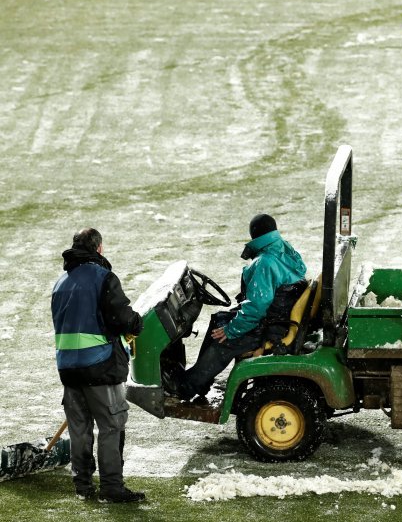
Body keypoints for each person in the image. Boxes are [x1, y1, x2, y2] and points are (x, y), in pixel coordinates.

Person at [164, 214, 307, 401]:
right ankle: (200, 379)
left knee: (222, 339)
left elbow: (257, 306)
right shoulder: (285, 250)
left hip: (270, 326)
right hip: (281, 317)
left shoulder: (265, 262)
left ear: (254, 236)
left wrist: (231, 330)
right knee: (219, 320)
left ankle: (187, 386)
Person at [51, 228, 144, 503]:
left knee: (79, 428)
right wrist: (136, 322)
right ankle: (112, 488)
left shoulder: (60, 283)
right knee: (111, 425)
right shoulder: (103, 277)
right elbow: (122, 318)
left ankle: (82, 486)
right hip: (99, 364)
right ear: (99, 249)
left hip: (67, 367)